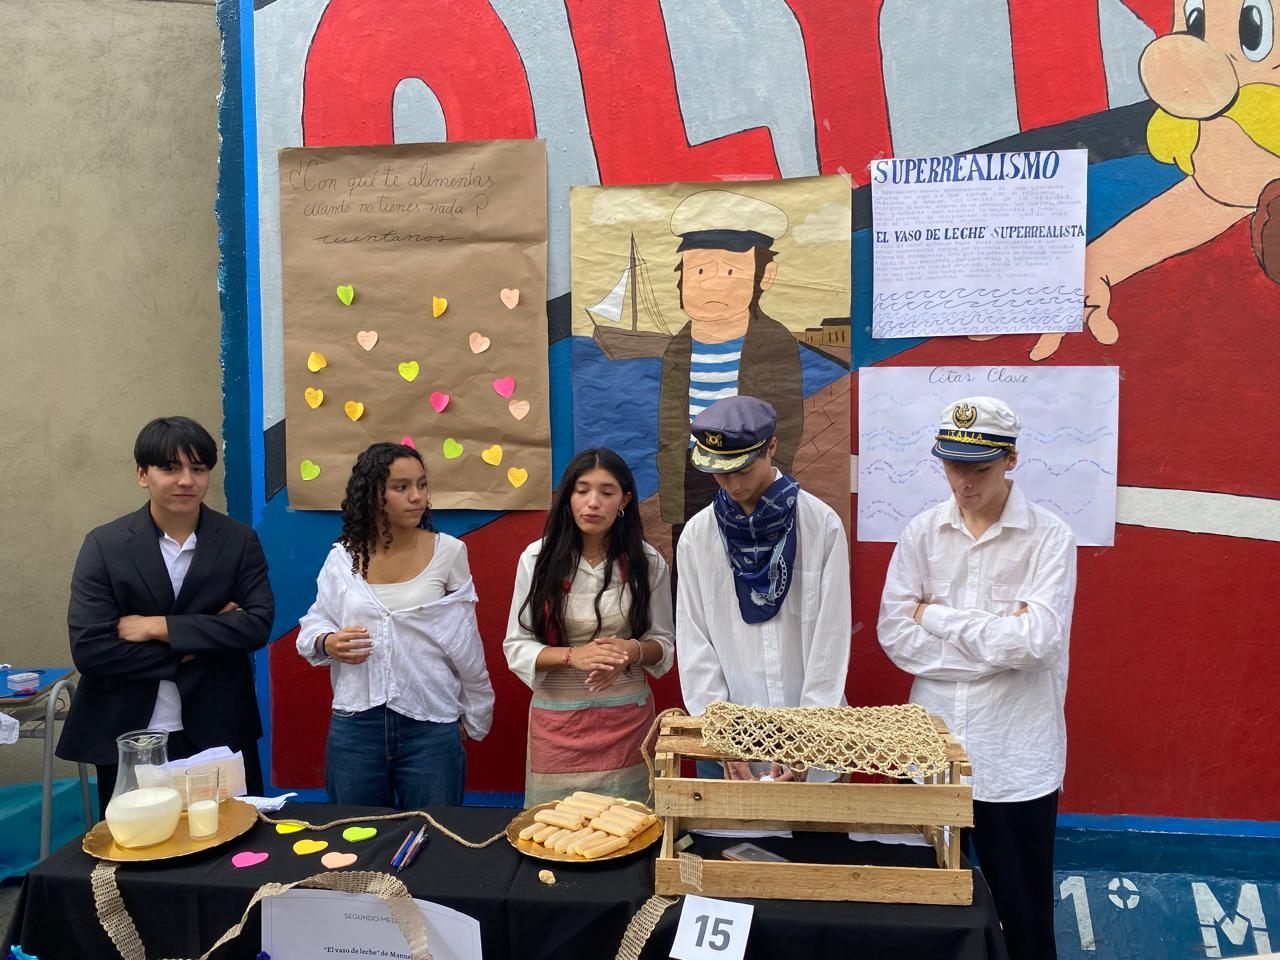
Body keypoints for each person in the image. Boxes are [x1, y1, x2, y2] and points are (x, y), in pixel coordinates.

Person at [877, 396, 1077, 960]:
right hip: (930, 755)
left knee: (1024, 915)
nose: (964, 481)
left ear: (1011, 460)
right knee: (926, 910)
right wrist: (997, 644)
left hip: (1016, 758)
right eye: (952, 465)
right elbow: (895, 636)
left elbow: (1038, 643)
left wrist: (937, 618)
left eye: (980, 468)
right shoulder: (921, 533)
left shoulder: (1050, 537)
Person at [58, 417, 274, 817]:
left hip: (219, 725)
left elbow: (256, 625)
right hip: (129, 733)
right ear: (143, 474)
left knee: (233, 838)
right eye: (170, 468)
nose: (186, 480)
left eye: (198, 468)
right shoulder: (106, 545)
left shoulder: (238, 540)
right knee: (139, 841)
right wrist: (194, 647)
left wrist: (158, 627)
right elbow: (90, 649)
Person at [297, 442, 493, 809]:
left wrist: (476, 711)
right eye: (401, 487)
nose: (417, 497)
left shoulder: (449, 552)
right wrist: (328, 642)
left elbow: (466, 641)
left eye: (422, 485)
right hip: (356, 724)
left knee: (435, 832)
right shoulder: (343, 559)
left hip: (431, 722)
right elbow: (316, 621)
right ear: (373, 494)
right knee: (357, 832)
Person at [675, 395, 850, 781]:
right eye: (720, 472)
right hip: (730, 751)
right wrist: (723, 738)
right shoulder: (698, 537)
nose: (732, 484)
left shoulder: (821, 526)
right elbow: (694, 642)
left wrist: (806, 742)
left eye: (743, 469)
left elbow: (831, 639)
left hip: (816, 745)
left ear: (771, 447)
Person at [504, 448, 675, 806]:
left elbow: (663, 643)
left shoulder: (647, 562)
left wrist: (631, 651)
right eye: (582, 490)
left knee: (628, 823)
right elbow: (516, 645)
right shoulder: (537, 560)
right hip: (558, 724)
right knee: (556, 824)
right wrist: (573, 656)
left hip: (627, 722)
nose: (593, 502)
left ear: (624, 500)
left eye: (607, 492)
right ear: (568, 496)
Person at [657, 190, 805, 561]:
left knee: (758, 555)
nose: (711, 284)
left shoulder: (774, 342)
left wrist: (771, 482)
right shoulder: (677, 349)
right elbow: (669, 428)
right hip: (694, 469)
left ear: (764, 275)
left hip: (750, 466)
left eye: (729, 271)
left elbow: (787, 422)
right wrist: (673, 491)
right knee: (694, 558)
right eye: (698, 270)